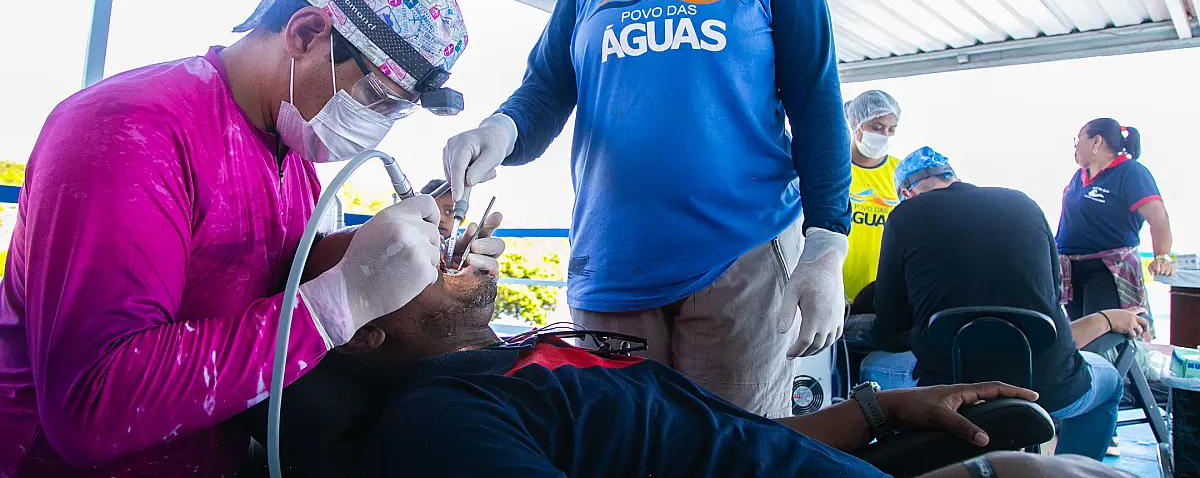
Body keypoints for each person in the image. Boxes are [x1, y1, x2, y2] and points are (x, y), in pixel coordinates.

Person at [0, 0, 478, 476]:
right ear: (304, 32)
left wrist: (396, 255)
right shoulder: (130, 134)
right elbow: (91, 406)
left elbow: (260, 276)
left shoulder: (290, 153)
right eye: (374, 97)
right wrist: (335, 304)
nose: (377, 129)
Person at [441, 0, 852, 419]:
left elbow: (818, 107)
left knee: (735, 451)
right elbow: (548, 87)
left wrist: (827, 248)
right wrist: (500, 131)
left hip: (741, 259)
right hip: (612, 262)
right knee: (620, 445)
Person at [257, 223, 1132, 478]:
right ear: (362, 321)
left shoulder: (526, 360)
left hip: (861, 458)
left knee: (1039, 447)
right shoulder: (445, 418)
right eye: (395, 258)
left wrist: (877, 409)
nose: (437, 242)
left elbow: (715, 443)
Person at [864, 147, 1127, 461]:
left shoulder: (904, 215)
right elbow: (1052, 300)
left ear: (906, 193)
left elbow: (889, 329)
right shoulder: (1024, 203)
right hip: (1047, 387)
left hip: (946, 390)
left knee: (867, 368)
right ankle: (1068, 470)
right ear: (954, 178)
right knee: (1109, 383)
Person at [1056, 119, 1173, 338]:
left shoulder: (1130, 172)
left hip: (1105, 271)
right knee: (1075, 339)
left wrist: (1162, 256)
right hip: (1072, 269)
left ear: (1096, 141)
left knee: (1102, 339)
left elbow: (1159, 218)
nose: (1075, 146)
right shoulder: (1079, 177)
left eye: (1078, 139)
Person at [843, 90, 902, 301]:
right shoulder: (834, 169)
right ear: (855, 123)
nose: (884, 135)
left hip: (882, 291)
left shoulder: (900, 173)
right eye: (877, 128)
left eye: (891, 129)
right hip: (833, 285)